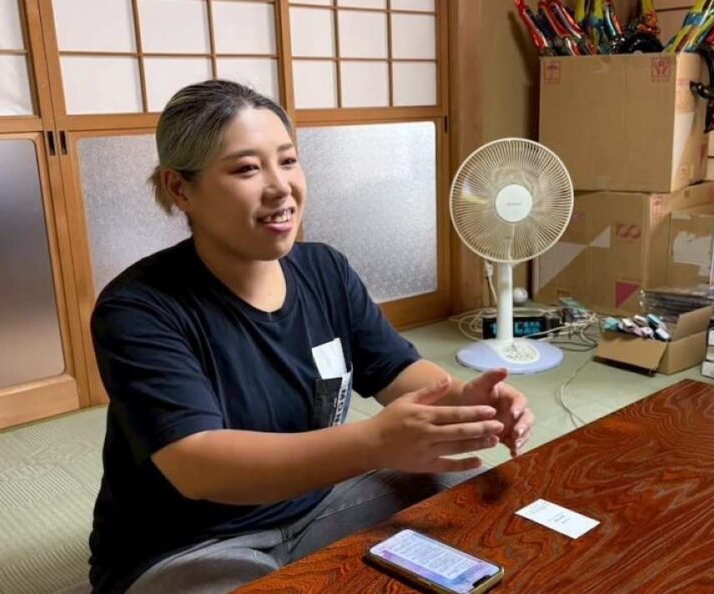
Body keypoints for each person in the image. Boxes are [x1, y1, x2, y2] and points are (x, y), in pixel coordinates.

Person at [87, 79, 535, 594]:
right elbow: (198, 466)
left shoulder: (325, 269)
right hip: (189, 545)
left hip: (318, 506)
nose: (281, 188)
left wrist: (467, 402)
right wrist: (376, 441)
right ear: (179, 188)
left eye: (288, 161)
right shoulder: (139, 307)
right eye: (247, 169)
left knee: (464, 489)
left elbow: (396, 371)